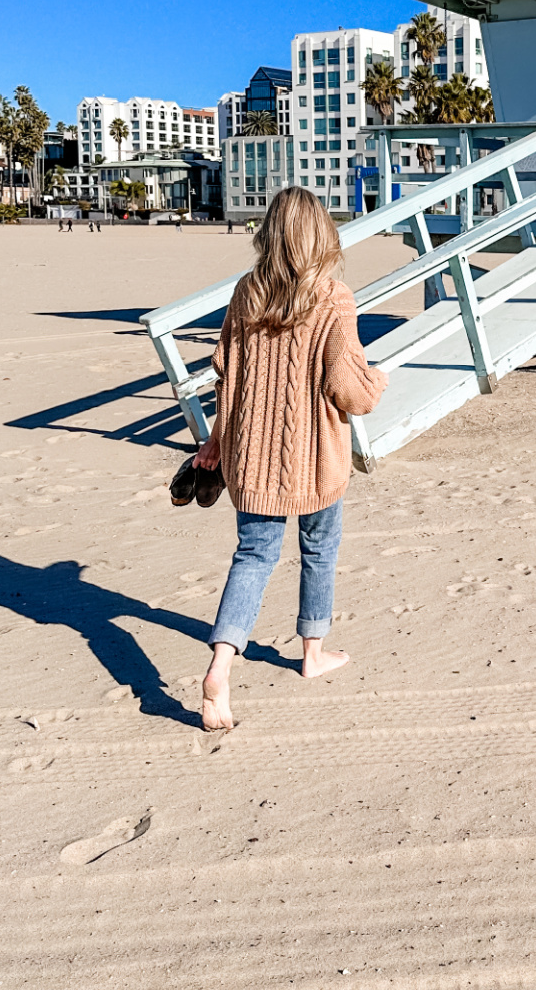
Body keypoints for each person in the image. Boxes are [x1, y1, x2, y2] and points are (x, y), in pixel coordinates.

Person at [193, 187, 387, 732]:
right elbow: (349, 390)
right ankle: (312, 652)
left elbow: (226, 374)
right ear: (320, 235)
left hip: (250, 456)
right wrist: (379, 381)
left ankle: (220, 667)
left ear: (270, 235)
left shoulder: (246, 292)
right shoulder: (334, 297)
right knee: (319, 549)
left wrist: (215, 441)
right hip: (317, 458)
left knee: (252, 557)